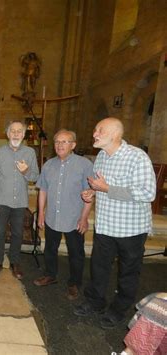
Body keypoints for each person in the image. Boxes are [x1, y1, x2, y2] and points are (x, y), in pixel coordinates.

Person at [74, 117, 156, 329]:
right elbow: (99, 186)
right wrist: (91, 192)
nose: (94, 133)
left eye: (99, 130)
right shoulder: (101, 156)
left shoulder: (137, 157)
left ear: (115, 135)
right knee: (99, 267)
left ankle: (119, 309)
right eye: (95, 129)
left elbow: (148, 193)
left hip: (131, 228)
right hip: (106, 225)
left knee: (128, 272)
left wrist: (107, 188)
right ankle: (95, 302)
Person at [33, 129, 93, 300]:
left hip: (74, 218)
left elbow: (89, 193)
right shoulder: (48, 165)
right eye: (57, 141)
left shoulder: (84, 165)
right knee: (50, 248)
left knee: (76, 253)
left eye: (64, 141)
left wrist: (84, 218)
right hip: (52, 216)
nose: (60, 145)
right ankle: (50, 275)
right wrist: (42, 213)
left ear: (73, 145)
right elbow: (43, 190)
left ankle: (74, 283)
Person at [0, 121, 39, 279]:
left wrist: (26, 171)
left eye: (19, 131)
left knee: (17, 233)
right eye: (12, 131)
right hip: (1, 200)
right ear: (7, 134)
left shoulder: (29, 153)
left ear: (23, 134)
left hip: (20, 202)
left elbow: (35, 176)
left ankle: (15, 262)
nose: (16, 134)